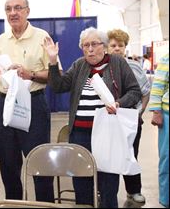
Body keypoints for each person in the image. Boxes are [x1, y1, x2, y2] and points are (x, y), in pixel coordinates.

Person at [43, 27, 142, 207]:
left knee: (108, 186)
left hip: (108, 134)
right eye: (85, 45)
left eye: (94, 44)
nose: (89, 49)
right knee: (81, 183)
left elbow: (135, 91)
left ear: (103, 46)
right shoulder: (80, 65)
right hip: (80, 135)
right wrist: (52, 61)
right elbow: (58, 86)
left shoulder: (118, 63)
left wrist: (119, 103)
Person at [0, 0, 60, 202]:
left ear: (28, 11)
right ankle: (13, 204)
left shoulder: (42, 37)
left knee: (39, 160)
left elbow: (55, 75)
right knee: (8, 163)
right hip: (5, 103)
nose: (13, 13)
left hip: (33, 102)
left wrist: (32, 74)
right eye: (8, 9)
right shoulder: (1, 40)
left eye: (18, 8)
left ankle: (46, 205)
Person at [107, 29, 151, 204]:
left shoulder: (134, 67)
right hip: (109, 120)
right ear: (107, 47)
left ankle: (133, 191)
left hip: (131, 119)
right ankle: (107, 192)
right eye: (113, 45)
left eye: (121, 45)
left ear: (125, 47)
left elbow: (145, 92)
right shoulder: (103, 67)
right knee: (108, 155)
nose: (117, 48)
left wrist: (139, 112)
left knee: (131, 154)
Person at [148, 53, 169, 208]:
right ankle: (165, 198)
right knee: (167, 158)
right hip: (168, 115)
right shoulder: (167, 59)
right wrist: (156, 111)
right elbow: (157, 86)